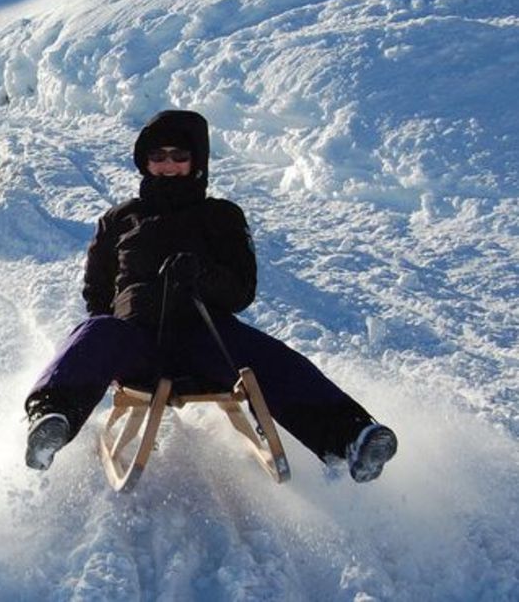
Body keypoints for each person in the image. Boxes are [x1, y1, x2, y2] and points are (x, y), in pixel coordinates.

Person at [23, 110, 398, 483]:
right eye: (158, 157)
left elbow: (242, 291)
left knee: (263, 354)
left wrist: (202, 276)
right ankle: (51, 419)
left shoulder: (222, 216)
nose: (168, 165)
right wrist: (108, 343)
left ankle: (350, 436)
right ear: (144, 162)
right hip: (137, 342)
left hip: (204, 338)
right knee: (97, 330)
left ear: (196, 161)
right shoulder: (119, 219)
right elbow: (97, 291)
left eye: (179, 156)